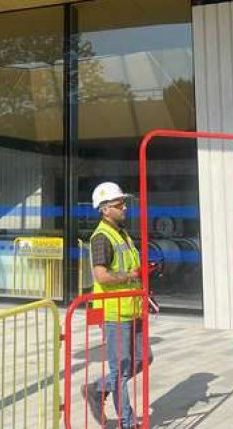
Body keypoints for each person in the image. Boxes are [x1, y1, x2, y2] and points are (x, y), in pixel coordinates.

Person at [83, 181, 151, 429]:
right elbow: (101, 276)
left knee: (144, 358)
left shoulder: (121, 233)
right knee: (121, 370)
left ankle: (96, 389)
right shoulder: (101, 237)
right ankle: (128, 422)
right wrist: (130, 277)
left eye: (124, 203)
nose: (124, 208)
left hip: (132, 308)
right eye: (118, 204)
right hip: (114, 312)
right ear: (104, 209)